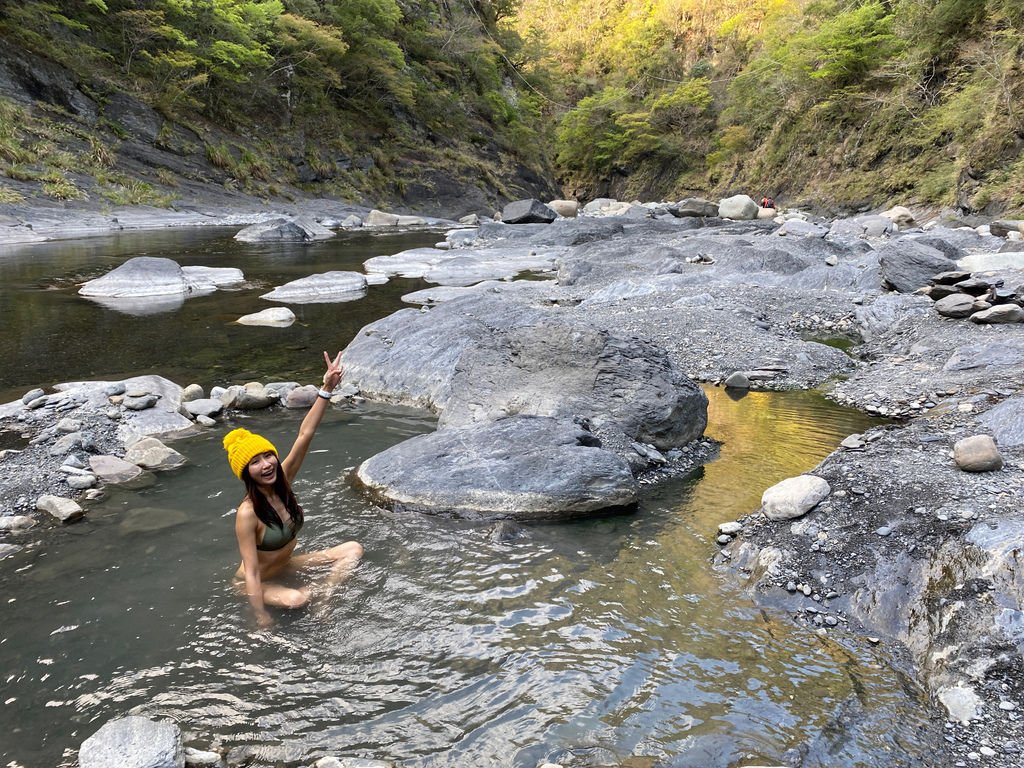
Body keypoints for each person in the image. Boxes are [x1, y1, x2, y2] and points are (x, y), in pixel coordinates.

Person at [223, 350, 363, 627]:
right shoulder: (248, 513)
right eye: (255, 462)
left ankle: (326, 596)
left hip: (286, 565)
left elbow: (304, 435)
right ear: (245, 473)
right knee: (297, 600)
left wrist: (326, 389)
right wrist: (259, 614)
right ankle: (311, 595)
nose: (266, 465)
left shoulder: (283, 480)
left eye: (267, 456)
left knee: (352, 549)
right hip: (255, 581)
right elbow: (251, 571)